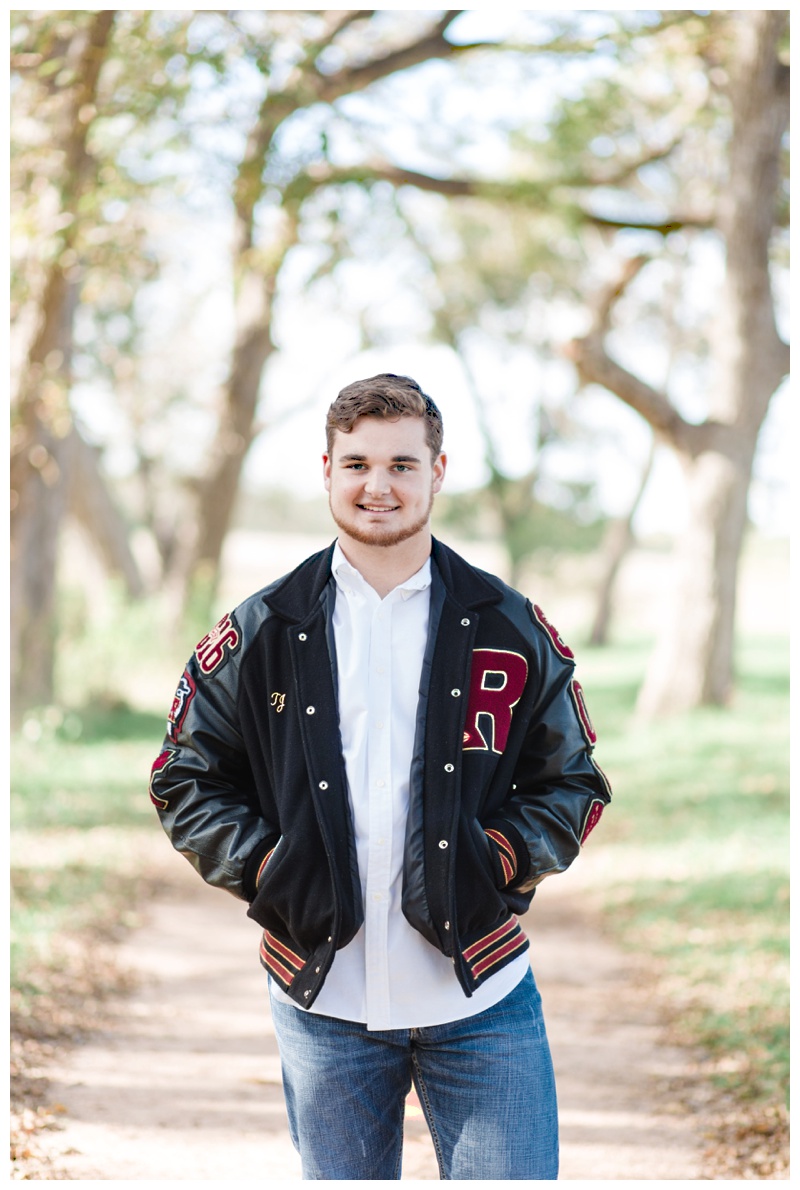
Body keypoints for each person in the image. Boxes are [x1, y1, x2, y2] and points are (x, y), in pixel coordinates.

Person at [150, 372, 611, 1180]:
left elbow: (573, 781)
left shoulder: (512, 626)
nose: (379, 486)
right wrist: (265, 866)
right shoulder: (261, 629)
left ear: (438, 472)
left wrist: (498, 858)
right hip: (321, 1000)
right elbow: (183, 776)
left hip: (480, 994)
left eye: (402, 464)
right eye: (358, 463)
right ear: (325, 469)